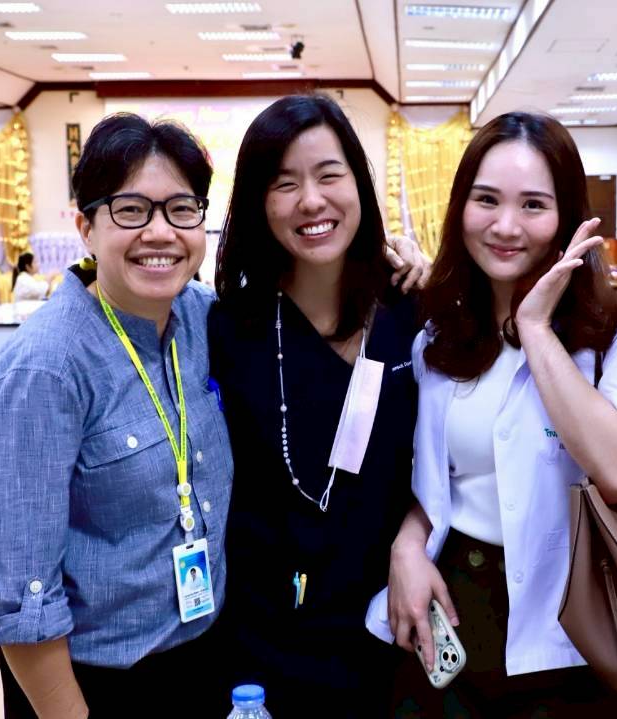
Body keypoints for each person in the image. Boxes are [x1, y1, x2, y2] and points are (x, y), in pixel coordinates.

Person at [369, 111, 617, 717]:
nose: (506, 226)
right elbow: (434, 482)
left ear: (568, 216)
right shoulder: (437, 332)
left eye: (534, 205)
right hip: (451, 607)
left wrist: (534, 327)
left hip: (575, 622)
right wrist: (408, 544)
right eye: (486, 200)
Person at [0, 113, 234, 718]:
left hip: (201, 657)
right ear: (86, 227)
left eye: (181, 210)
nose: (160, 232)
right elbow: (19, 593)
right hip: (96, 683)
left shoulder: (200, 318)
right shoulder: (43, 372)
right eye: (131, 210)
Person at [208, 94, 426, 716]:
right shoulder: (229, 330)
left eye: (330, 175)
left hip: (398, 629)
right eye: (285, 184)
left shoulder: (412, 312)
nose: (311, 201)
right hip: (269, 646)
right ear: (257, 202)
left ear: (359, 183)